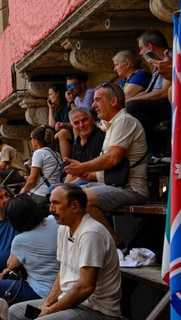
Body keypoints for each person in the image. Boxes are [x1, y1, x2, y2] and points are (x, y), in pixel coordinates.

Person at [9, 184, 122, 320]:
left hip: (98, 311)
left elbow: (85, 286)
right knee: (16, 313)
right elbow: (63, 272)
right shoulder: (64, 228)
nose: (50, 208)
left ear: (75, 206)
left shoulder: (91, 233)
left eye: (56, 203)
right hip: (74, 303)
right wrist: (49, 303)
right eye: (50, 202)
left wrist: (52, 310)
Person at [63, 82, 150, 236]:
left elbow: (113, 159)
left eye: (97, 100)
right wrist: (90, 174)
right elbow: (113, 165)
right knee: (64, 194)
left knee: (82, 198)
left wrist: (83, 167)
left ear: (113, 101)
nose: (93, 105)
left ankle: (113, 242)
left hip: (132, 189)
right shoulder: (113, 124)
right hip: (114, 184)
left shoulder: (124, 120)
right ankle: (86, 240)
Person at [0, 194, 60, 305]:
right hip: (61, 284)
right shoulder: (54, 221)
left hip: (41, 291)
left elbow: (11, 264)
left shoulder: (21, 240)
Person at [124, 30, 173, 156]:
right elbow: (148, 91)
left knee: (133, 107)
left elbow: (163, 92)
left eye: (141, 48)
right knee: (126, 106)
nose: (140, 53)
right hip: (156, 102)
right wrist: (128, 100)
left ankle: (152, 151)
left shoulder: (169, 59)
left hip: (167, 103)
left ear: (150, 47)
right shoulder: (156, 63)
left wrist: (133, 101)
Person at [19, 125, 64, 201]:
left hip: (40, 194)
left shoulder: (39, 153)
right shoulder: (56, 153)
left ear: (36, 140)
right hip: (54, 191)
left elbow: (32, 180)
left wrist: (22, 191)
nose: (31, 141)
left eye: (31, 138)